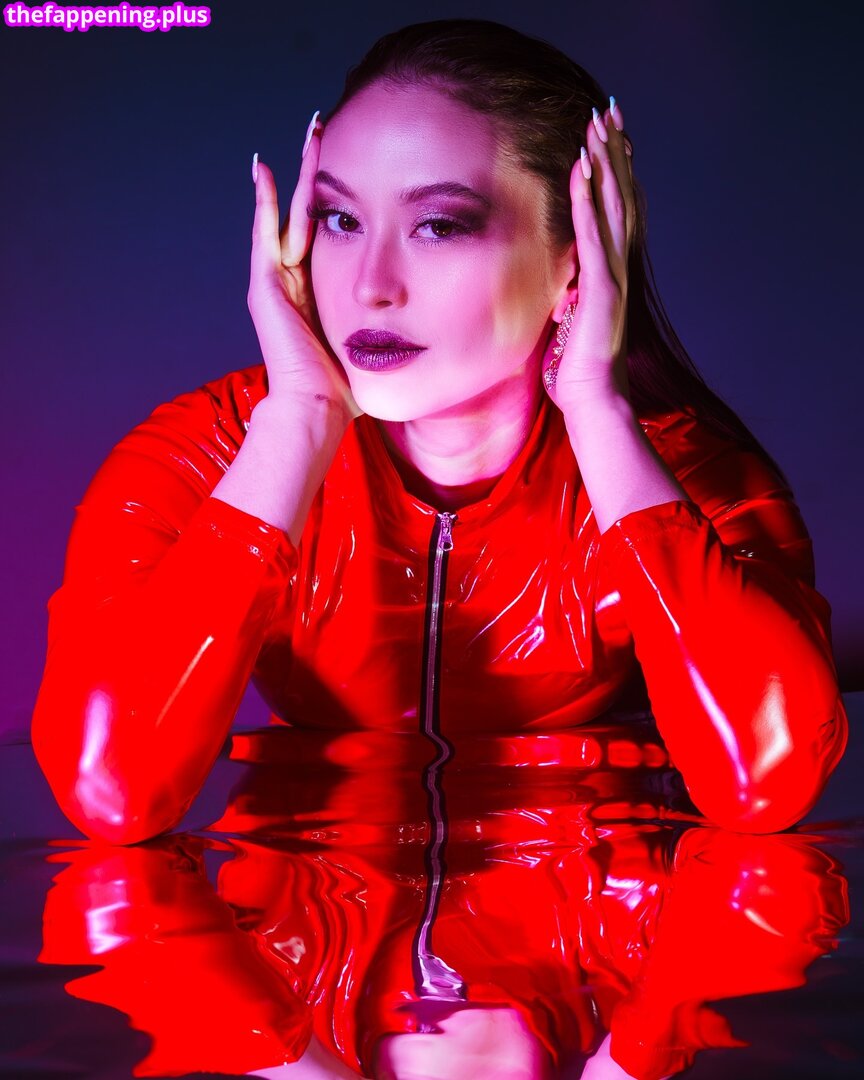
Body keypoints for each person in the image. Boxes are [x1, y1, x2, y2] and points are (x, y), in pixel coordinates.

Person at [32, 18, 846, 848]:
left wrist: (598, 414)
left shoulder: (682, 473)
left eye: (439, 225)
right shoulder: (208, 454)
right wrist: (297, 421)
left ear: (576, 257)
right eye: (340, 220)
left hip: (574, 916)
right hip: (306, 918)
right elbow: (111, 793)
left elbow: (766, 783)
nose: (371, 286)